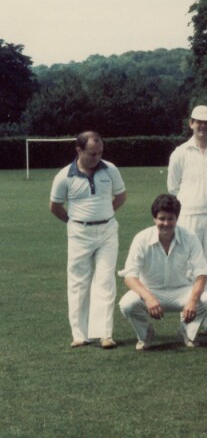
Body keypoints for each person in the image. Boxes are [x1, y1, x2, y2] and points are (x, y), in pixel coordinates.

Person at [50, 131, 127, 348]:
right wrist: (75, 223)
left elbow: (121, 196)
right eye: (92, 153)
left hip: (108, 232)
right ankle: (80, 335)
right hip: (78, 234)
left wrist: (104, 215)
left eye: (100, 153)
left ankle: (104, 334)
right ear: (79, 150)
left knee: (105, 280)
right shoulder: (64, 176)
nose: (97, 157)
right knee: (78, 283)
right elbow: (54, 207)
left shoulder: (110, 169)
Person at [118, 194, 207, 350]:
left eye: (170, 219)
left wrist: (192, 300)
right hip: (150, 290)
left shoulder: (189, 237)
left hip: (181, 291)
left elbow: (202, 272)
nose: (166, 223)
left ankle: (186, 330)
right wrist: (149, 297)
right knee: (127, 304)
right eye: (161, 218)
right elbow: (130, 276)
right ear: (154, 219)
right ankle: (145, 334)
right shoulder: (141, 238)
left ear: (177, 219)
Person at [167, 104, 207, 280]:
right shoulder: (180, 153)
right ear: (191, 123)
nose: (202, 126)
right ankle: (188, 306)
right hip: (188, 216)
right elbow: (173, 187)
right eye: (198, 122)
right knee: (188, 267)